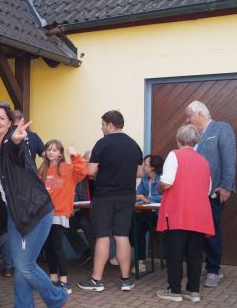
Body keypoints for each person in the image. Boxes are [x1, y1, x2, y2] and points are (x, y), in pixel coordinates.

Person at [0, 102, 68, 308]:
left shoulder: (12, 142)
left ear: (10, 123)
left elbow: (17, 152)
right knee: (21, 267)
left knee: (25, 265)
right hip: (15, 214)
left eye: (1, 118)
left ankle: (57, 298)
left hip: (35, 211)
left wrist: (16, 140)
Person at [77, 110, 143, 292]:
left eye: (103, 125)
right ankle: (126, 280)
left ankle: (96, 280)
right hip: (127, 196)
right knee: (122, 235)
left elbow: (90, 171)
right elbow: (139, 173)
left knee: (103, 235)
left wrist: (104, 171)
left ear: (111, 125)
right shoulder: (134, 145)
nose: (102, 128)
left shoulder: (103, 143)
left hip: (105, 196)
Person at [156, 125, 214, 302]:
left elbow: (167, 182)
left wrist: (159, 187)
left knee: (174, 253)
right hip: (198, 214)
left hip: (178, 212)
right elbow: (208, 189)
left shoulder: (174, 155)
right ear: (195, 140)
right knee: (195, 255)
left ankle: (174, 291)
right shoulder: (204, 161)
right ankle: (193, 291)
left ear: (178, 139)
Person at [185, 101, 236, 287]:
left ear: (200, 113)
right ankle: (206, 267)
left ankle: (214, 270)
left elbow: (229, 159)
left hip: (213, 192)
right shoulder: (196, 135)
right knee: (198, 232)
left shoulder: (221, 129)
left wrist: (226, 186)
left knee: (212, 231)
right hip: (194, 195)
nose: (187, 120)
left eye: (189, 116)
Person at [39, 140, 88, 294]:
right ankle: (53, 278)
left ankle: (64, 281)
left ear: (60, 153)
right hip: (43, 215)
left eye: (55, 150)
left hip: (58, 214)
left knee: (57, 247)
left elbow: (82, 172)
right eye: (49, 149)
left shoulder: (67, 168)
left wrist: (75, 156)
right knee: (48, 247)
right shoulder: (42, 170)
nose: (51, 152)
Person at [130, 154, 163, 274]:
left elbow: (165, 197)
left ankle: (140, 261)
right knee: (134, 222)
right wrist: (138, 198)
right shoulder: (145, 178)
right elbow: (138, 194)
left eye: (146, 164)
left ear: (153, 167)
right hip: (146, 213)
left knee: (139, 224)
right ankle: (139, 261)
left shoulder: (162, 179)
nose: (143, 166)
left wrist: (148, 199)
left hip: (159, 215)